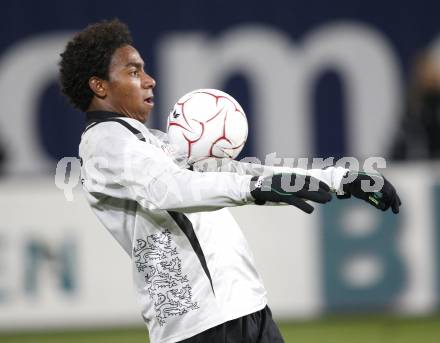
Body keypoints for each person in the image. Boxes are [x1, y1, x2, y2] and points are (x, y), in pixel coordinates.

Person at [58, 19, 401, 343]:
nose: (150, 80)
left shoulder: (150, 141)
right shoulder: (105, 143)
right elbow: (170, 189)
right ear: (99, 85)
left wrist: (341, 178)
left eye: (144, 69)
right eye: (134, 72)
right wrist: (255, 190)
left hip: (244, 308)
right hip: (199, 325)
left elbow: (235, 173)